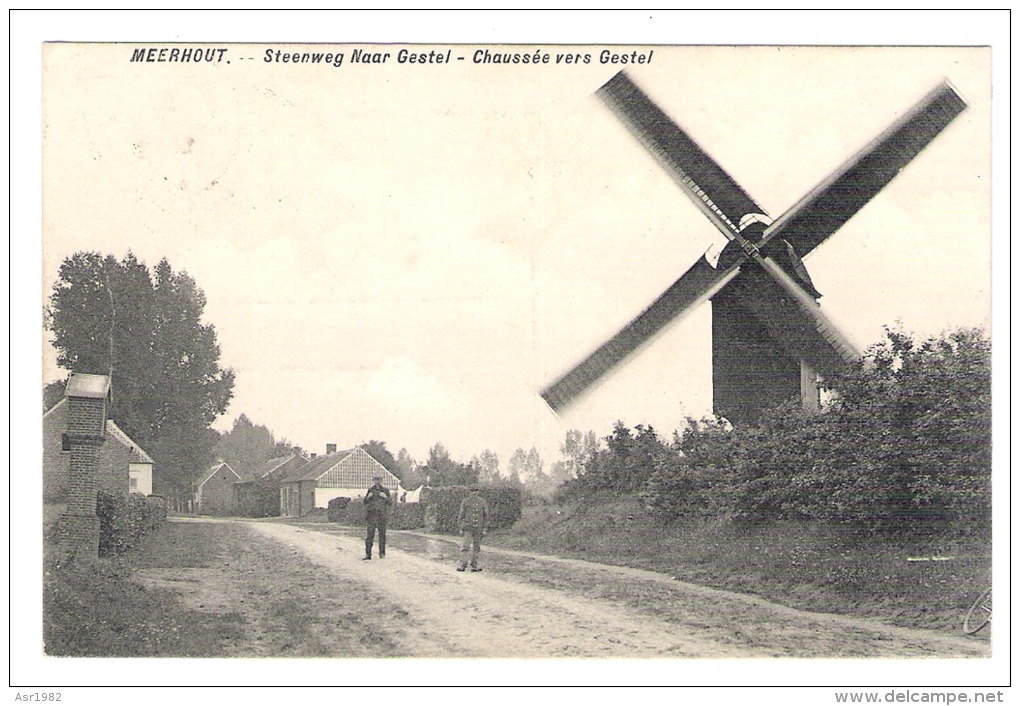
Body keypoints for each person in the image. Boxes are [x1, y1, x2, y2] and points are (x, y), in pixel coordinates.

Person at [456, 485, 490, 572]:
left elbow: (486, 516)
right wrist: (461, 527)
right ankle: (463, 565)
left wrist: (485, 528)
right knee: (465, 546)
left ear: (478, 492)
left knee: (476, 547)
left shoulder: (482, 502)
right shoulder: (465, 502)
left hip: (478, 528)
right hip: (468, 528)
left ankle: (474, 565)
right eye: (472, 491)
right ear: (469, 492)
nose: (474, 493)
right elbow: (461, 515)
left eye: (475, 491)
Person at [363, 473, 392, 559]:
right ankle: (368, 554)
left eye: (379, 480)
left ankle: (382, 553)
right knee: (370, 535)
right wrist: (368, 497)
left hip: (381, 515)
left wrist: (385, 497)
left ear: (381, 481)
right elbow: (365, 502)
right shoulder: (370, 490)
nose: (377, 482)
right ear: (374, 480)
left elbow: (390, 503)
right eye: (376, 480)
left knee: (382, 534)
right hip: (371, 515)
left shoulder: (385, 490)